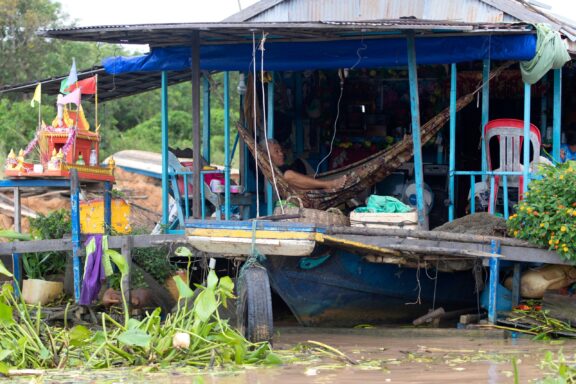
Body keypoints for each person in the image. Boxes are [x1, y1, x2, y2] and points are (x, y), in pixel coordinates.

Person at [264, 139, 347, 191]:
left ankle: (325, 185)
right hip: (289, 200)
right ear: (267, 156)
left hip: (300, 193)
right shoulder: (269, 173)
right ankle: (328, 184)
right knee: (288, 175)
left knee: (302, 176)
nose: (281, 154)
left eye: (280, 150)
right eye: (276, 151)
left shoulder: (282, 168)